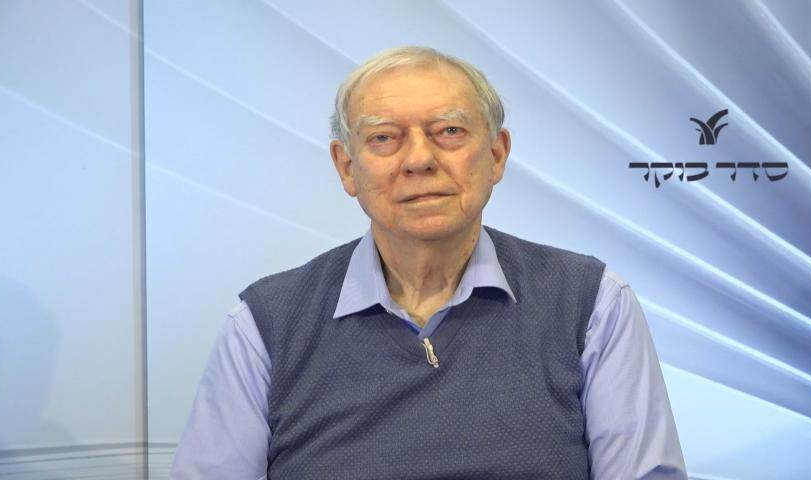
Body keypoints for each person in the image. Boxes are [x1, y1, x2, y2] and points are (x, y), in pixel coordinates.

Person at [171, 45, 686, 479]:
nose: (419, 159)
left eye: (449, 131)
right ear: (346, 167)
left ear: (497, 154)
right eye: (383, 138)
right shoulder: (266, 323)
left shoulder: (591, 303)